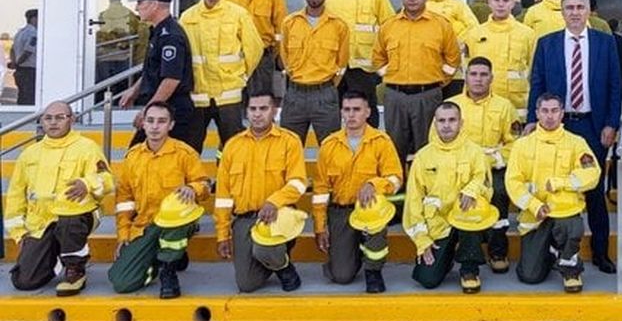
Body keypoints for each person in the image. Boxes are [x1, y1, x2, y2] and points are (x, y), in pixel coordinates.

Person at [527, 0, 622, 274]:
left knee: (594, 190)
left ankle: (601, 253)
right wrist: (535, 119)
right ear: (562, 11)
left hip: (594, 126)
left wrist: (611, 124)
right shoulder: (548, 44)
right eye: (569, 7)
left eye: (580, 7)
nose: (575, 12)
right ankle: (550, 250)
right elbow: (538, 82)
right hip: (557, 125)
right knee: (551, 186)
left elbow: (615, 86)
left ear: (588, 11)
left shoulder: (605, 43)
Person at [5, 101, 111, 294]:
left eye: (60, 117)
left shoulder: (87, 147)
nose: (53, 122)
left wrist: (87, 184)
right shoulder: (29, 154)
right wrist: (19, 234)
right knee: (24, 281)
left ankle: (75, 268)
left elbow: (107, 180)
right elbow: (15, 195)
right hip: (41, 223)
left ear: (72, 119)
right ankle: (53, 256)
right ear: (42, 121)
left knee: (69, 221)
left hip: (78, 217)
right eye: (48, 118)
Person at [108, 102, 211, 298]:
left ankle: (168, 272)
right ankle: (159, 261)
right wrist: (123, 234)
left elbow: (204, 185)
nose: (155, 126)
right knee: (121, 282)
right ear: (143, 124)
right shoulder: (133, 157)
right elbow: (124, 200)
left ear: (171, 125)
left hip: (178, 221)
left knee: (175, 222)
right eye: (151, 121)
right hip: (145, 224)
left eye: (162, 121)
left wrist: (192, 189)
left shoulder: (184, 153)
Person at [506, 92, 601, 292]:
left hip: (565, 214)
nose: (550, 116)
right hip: (536, 216)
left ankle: (570, 267)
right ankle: (550, 252)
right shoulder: (522, 145)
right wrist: (534, 205)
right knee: (530, 276)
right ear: (537, 114)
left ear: (562, 113)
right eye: (545, 111)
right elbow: (513, 182)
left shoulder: (576, 142)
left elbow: (592, 173)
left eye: (555, 111)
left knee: (572, 227)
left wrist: (561, 183)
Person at [214, 93, 307, 293]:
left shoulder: (289, 141)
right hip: (245, 219)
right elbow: (222, 196)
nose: (257, 114)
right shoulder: (232, 146)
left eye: (263, 109)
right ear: (246, 112)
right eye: (253, 109)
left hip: (277, 214)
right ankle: (272, 259)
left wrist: (274, 202)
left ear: (274, 111)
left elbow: (298, 182)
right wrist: (222, 234)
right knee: (247, 284)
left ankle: (284, 267)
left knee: (265, 248)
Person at [312, 92, 403, 293]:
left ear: (368, 112)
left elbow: (395, 178)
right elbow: (320, 189)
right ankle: (346, 255)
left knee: (376, 223)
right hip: (340, 211)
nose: (351, 115)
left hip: (369, 209)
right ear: (341, 112)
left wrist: (374, 184)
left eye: (357, 109)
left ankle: (373, 271)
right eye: (347, 110)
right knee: (342, 276)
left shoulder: (381, 141)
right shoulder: (329, 145)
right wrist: (320, 226)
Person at [436, 57, 520, 272]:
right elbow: (435, 141)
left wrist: (488, 160)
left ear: (491, 78)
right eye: (473, 74)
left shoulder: (504, 107)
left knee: (499, 192)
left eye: (484, 75)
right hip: (458, 170)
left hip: (493, 169)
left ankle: (497, 251)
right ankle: (454, 248)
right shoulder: (452, 106)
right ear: (466, 77)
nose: (478, 79)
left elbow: (514, 145)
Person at [404, 101, 493, 293]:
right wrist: (422, 240)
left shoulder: (475, 152)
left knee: (472, 211)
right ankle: (446, 259)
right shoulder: (423, 156)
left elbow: (485, 183)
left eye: (452, 120)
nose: (446, 125)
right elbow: (413, 201)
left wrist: (472, 190)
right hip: (438, 225)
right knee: (427, 279)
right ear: (434, 124)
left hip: (465, 219)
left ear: (461, 123)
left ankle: (469, 269)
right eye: (441, 121)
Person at [373, 0, 461, 165]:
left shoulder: (441, 25)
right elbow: (378, 60)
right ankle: (399, 190)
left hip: (427, 96)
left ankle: (424, 191)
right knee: (395, 149)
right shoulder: (389, 26)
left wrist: (437, 81)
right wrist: (391, 78)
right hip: (395, 97)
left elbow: (453, 61)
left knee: (427, 148)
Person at [178, 0, 265, 146]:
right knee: (190, 145)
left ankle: (226, 175)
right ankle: (194, 176)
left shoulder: (238, 14)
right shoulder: (187, 17)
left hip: (228, 94)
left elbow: (254, 48)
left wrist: (242, 75)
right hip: (198, 94)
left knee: (231, 146)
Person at [119, 0, 200, 150]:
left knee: (163, 161)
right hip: (162, 107)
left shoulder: (170, 36)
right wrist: (134, 90)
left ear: (154, 4)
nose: (136, 8)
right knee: (138, 155)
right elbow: (153, 70)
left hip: (173, 110)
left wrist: (149, 111)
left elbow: (171, 79)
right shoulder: (158, 32)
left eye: (141, 2)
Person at [326, 0, 396, 117]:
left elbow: (390, 26)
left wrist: (385, 61)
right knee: (332, 115)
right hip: (333, 63)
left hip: (364, 65)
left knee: (367, 113)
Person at [278, 0, 350, 143]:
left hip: (324, 94)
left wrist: (328, 86)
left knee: (330, 150)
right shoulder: (290, 23)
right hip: (295, 94)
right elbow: (284, 57)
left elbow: (342, 62)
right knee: (289, 149)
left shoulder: (338, 25)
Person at [223, 0, 288, 101]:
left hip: (262, 57)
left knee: (261, 103)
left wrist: (279, 56)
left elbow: (281, 27)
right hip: (234, 58)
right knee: (233, 104)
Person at [460, 0, 538, 109]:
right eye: (496, 0)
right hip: (481, 105)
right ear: (489, 2)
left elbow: (535, 72)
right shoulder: (474, 34)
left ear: (513, 4)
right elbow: (467, 72)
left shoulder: (527, 34)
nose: (501, 4)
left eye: (505, 0)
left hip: (516, 108)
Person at [417, 0, 481, 98]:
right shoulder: (415, 6)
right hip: (425, 74)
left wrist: (456, 43)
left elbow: (475, 29)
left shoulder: (457, 5)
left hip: (454, 75)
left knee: (452, 116)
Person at [95, 0, 145, 94]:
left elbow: (103, 34)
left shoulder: (103, 15)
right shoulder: (130, 15)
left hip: (107, 55)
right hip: (124, 55)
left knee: (105, 86)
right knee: (122, 85)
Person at [7, 9, 37, 106]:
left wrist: (14, 62)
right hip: (29, 70)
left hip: (20, 71)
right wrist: (18, 63)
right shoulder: (33, 33)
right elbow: (28, 52)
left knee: (22, 97)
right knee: (29, 99)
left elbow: (12, 50)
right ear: (33, 19)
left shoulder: (20, 33)